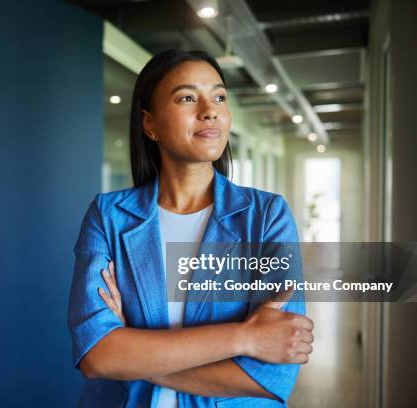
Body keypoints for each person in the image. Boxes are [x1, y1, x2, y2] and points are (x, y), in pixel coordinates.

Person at [67, 49, 313, 408]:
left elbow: (271, 376)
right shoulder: (109, 215)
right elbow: (98, 356)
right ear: (149, 124)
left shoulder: (267, 216)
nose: (209, 109)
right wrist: (246, 337)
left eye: (218, 97)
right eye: (187, 97)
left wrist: (135, 355)